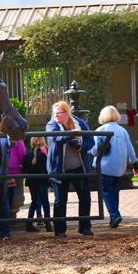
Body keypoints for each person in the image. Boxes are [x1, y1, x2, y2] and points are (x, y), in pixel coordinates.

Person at [46, 101, 93, 237]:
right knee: (60, 201)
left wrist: (82, 147)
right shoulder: (51, 125)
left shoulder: (80, 123)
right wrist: (70, 134)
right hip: (60, 169)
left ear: (67, 113)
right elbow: (57, 138)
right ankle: (60, 230)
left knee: (85, 198)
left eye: (59, 113)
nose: (55, 116)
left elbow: (90, 140)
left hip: (79, 167)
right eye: (54, 113)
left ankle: (85, 227)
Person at [89, 106, 138, 228]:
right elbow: (130, 149)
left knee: (106, 191)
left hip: (104, 166)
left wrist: (85, 151)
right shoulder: (123, 131)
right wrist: (135, 165)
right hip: (120, 167)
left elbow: (94, 149)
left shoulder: (100, 130)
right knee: (114, 192)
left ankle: (115, 215)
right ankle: (114, 217)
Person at [0, 138, 26, 240]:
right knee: (8, 200)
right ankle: (6, 226)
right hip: (12, 170)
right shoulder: (16, 136)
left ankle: (0, 227)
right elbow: (22, 153)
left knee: (1, 199)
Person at [22, 136, 52, 233]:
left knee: (34, 202)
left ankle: (29, 223)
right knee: (45, 203)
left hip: (32, 182)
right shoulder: (43, 156)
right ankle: (48, 224)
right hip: (42, 182)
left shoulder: (28, 156)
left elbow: (24, 170)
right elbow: (46, 170)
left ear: (32, 143)